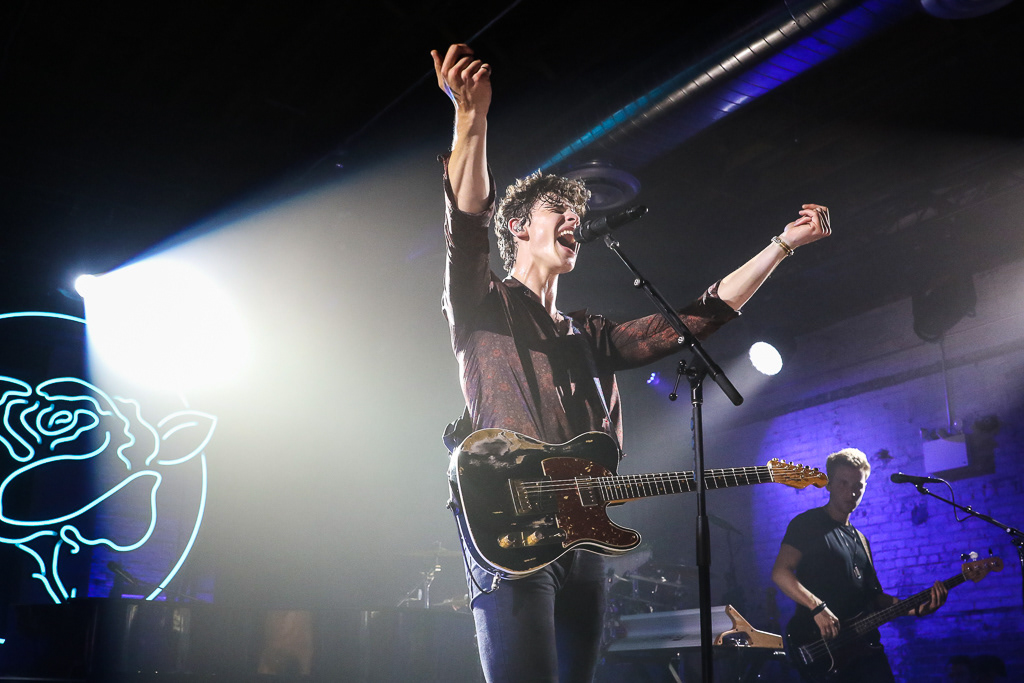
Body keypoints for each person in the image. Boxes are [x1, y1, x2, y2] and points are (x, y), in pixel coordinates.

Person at [432, 42, 832, 683]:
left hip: (584, 538)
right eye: (558, 212)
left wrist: (781, 246)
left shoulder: (590, 333)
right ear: (519, 228)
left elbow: (693, 319)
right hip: (511, 529)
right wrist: (470, 120)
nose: (574, 220)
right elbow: (466, 222)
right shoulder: (482, 304)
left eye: (577, 215)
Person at [772, 448, 949, 683]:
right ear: (829, 484)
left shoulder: (862, 540)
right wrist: (817, 608)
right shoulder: (807, 524)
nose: (852, 492)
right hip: (822, 645)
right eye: (843, 483)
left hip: (865, 649)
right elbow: (780, 572)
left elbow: (873, 598)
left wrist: (916, 609)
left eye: (859, 485)